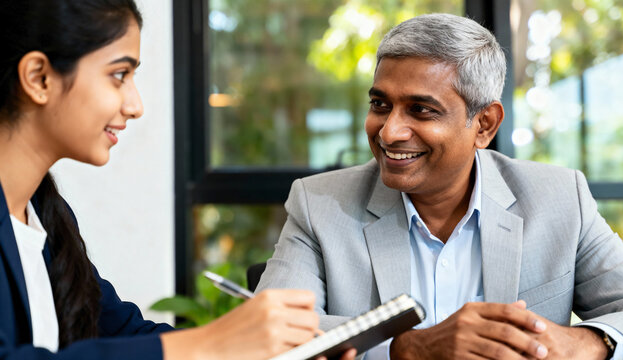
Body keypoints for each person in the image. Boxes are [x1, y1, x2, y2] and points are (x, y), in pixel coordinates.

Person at [256, 13, 623, 360]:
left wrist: (590, 342)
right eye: (380, 104)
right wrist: (408, 348)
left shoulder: (559, 197)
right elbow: (270, 335)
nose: (389, 132)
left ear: (484, 124)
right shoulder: (319, 203)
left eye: (421, 110)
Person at [0, 1, 358, 359]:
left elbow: (121, 331)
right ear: (38, 77)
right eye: (119, 75)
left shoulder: (45, 215)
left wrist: (258, 349)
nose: (135, 105)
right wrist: (214, 344)